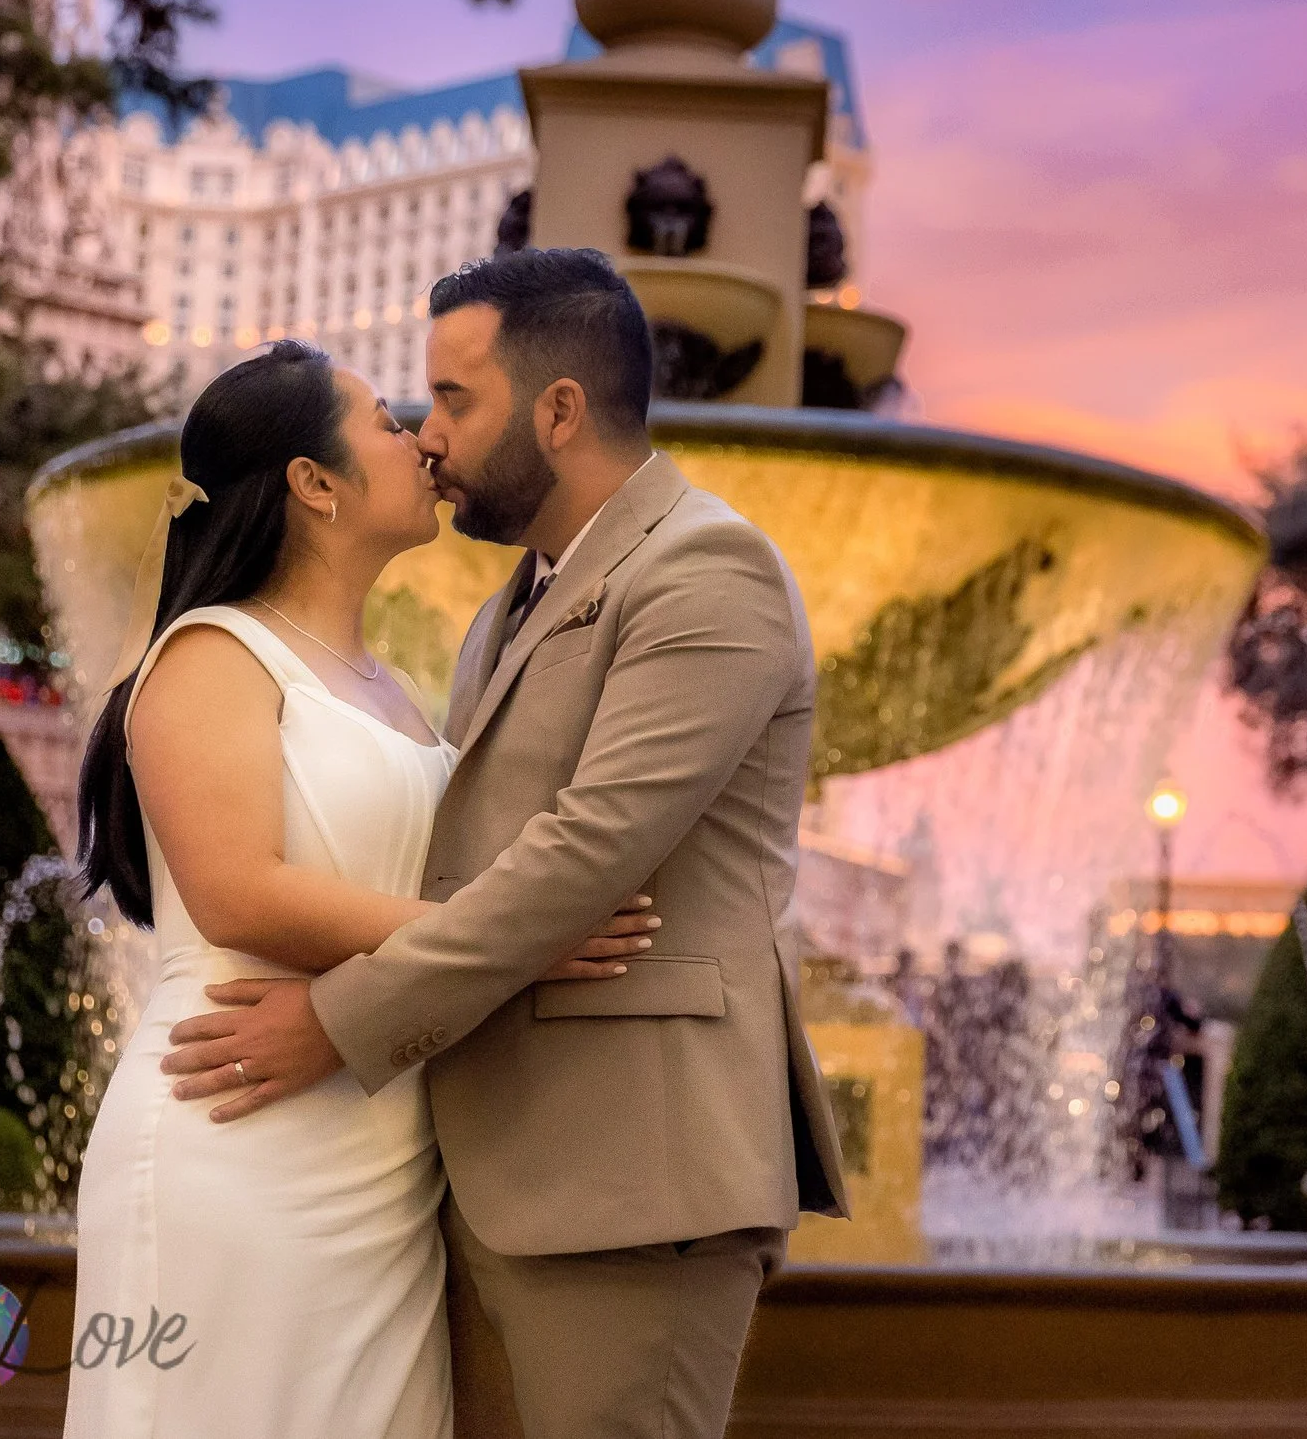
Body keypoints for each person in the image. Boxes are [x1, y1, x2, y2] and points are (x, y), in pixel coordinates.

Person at [155, 248, 848, 1439]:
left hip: (635, 1177)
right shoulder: (508, 605)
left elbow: (588, 853)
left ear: (559, 409)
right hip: (479, 1177)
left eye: (456, 401)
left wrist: (338, 1019)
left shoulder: (706, 568)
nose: (428, 436)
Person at [66, 341, 663, 1439]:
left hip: (380, 1158)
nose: (421, 439)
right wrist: (505, 938)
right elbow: (240, 893)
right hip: (235, 1124)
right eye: (387, 422)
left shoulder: (392, 685)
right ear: (313, 480)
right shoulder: (212, 651)